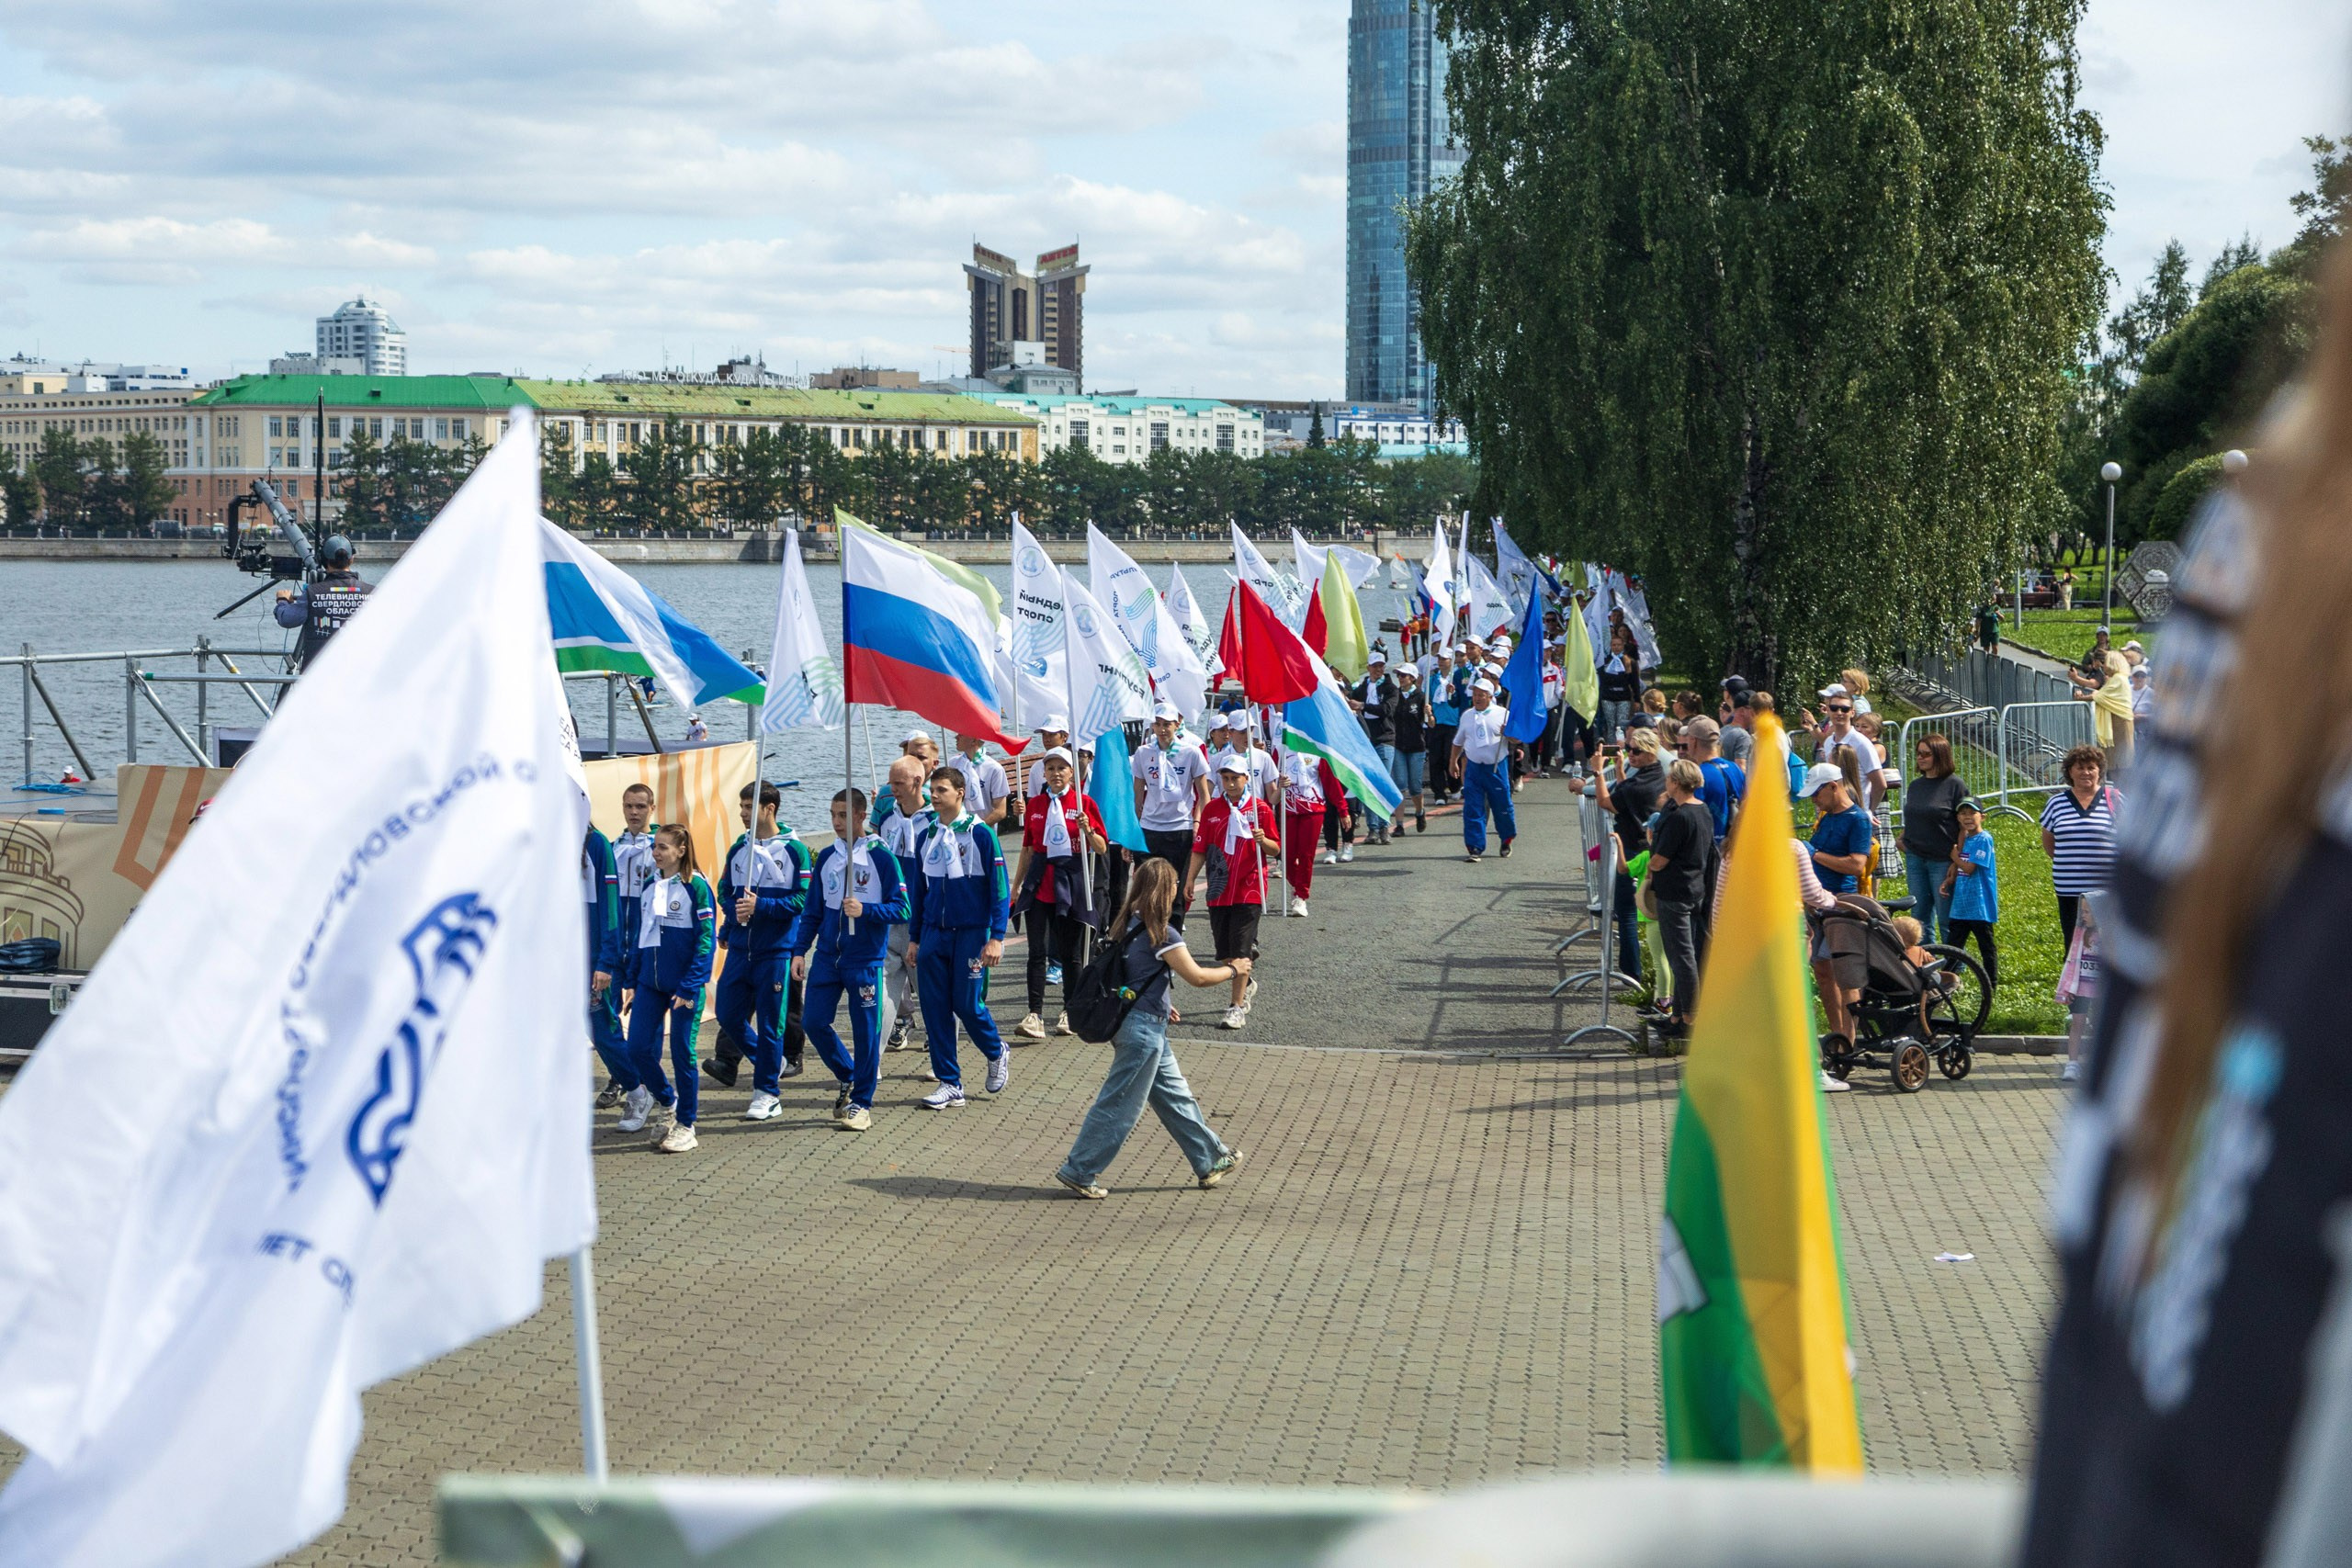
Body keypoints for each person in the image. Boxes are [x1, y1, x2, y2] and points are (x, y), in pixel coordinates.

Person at [1052, 858, 1247, 1200]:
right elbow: (1198, 977)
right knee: (1119, 1105)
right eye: (1173, 886)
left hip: (1138, 1023)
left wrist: (1161, 1002)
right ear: (1164, 890)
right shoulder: (1163, 933)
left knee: (1176, 1098)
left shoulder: (1126, 923)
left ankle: (1211, 1159)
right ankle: (1080, 1169)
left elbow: (1135, 974)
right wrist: (1234, 970)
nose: (1176, 892)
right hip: (1143, 1033)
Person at [787, 788, 910, 1132]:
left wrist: (865, 910)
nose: (836, 822)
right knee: (813, 1022)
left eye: (843, 815)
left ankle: (862, 1103)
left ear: (860, 816)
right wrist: (800, 950)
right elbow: (812, 910)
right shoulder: (827, 856)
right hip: (828, 957)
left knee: (866, 1033)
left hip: (865, 959)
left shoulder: (882, 858)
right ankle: (849, 1075)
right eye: (832, 815)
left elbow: (902, 907)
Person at [906, 767, 1012, 1108]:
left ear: (960, 793)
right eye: (932, 790)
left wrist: (996, 937)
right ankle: (950, 1083)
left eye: (941, 790)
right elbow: (919, 893)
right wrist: (914, 937)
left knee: (966, 1004)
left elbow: (999, 890)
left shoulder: (981, 835)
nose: (933, 796)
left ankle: (996, 1050)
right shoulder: (926, 837)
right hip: (933, 935)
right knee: (934, 1009)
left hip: (970, 933)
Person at [706, 782, 812, 1116]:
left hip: (775, 951)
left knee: (770, 1024)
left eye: (750, 807)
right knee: (727, 1014)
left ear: (770, 809)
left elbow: (803, 899)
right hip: (739, 948)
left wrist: (761, 906)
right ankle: (772, 1060)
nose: (743, 813)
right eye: (741, 806)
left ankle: (767, 1093)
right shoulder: (740, 847)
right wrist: (730, 919)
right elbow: (725, 889)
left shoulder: (794, 850)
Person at [619, 824, 716, 1152]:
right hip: (650, 983)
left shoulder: (697, 888)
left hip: (684, 987)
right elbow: (640, 938)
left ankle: (687, 1124)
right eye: (654, 847)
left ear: (681, 850)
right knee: (637, 1049)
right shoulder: (650, 886)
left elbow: (706, 942)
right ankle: (667, 1101)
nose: (656, 852)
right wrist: (632, 981)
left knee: (681, 1053)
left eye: (662, 847)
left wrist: (689, 986)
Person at [1011, 747, 1108, 1040]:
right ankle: (1035, 1014)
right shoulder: (1037, 804)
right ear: (1043, 773)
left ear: (1071, 774)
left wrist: (1088, 830)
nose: (1055, 774)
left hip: (1072, 879)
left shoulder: (1084, 803)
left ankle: (1070, 1010)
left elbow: (1102, 848)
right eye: (1050, 768)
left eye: (1061, 769)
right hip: (1040, 882)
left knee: (1070, 954)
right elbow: (1028, 849)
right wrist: (1017, 886)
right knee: (1037, 951)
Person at [1189, 752, 1281, 1030]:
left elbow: (1276, 849)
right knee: (1225, 953)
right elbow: (1200, 848)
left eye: (1235, 779)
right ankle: (1247, 982)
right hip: (1219, 888)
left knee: (1242, 952)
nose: (1229, 784)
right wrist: (1190, 879)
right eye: (1225, 778)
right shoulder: (1213, 810)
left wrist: (1263, 840)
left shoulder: (1260, 808)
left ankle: (1236, 1006)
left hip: (1249, 888)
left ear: (1245, 779)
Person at [1804, 762, 1875, 1050]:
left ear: (1834, 786)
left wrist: (1816, 855)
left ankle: (1849, 1039)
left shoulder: (1857, 819)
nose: (1813, 800)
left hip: (1842, 905)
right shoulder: (1826, 816)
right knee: (1822, 970)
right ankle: (1836, 1039)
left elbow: (1857, 865)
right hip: (1817, 905)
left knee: (1845, 975)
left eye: (1816, 793)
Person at [1646, 759, 1716, 1037]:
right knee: (1684, 954)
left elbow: (1660, 860)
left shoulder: (1679, 816)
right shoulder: (1703, 811)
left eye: (1669, 778)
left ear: (1675, 782)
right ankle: (1677, 1017)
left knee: (1681, 957)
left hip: (1675, 892)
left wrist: (1651, 860)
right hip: (1696, 888)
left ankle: (1690, 1018)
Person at [871, 754, 933, 1052]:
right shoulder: (886, 817)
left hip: (923, 921)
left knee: (931, 993)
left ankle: (941, 1050)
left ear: (918, 781)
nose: (891, 788)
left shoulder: (936, 821)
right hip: (891, 918)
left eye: (898, 782)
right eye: (890, 781)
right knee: (879, 995)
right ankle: (871, 1063)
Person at [2036, 744, 2119, 952]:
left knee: (2108, 941)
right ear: (2070, 771)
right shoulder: (2056, 803)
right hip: (2069, 887)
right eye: (2080, 767)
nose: (2086, 772)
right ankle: (2073, 982)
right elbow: (2048, 840)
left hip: (2105, 886)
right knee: (2073, 941)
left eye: (2091, 767)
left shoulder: (2115, 799)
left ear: (2100, 771)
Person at [1132, 703, 1212, 903]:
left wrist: (1201, 825)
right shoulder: (1143, 753)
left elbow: (1203, 794)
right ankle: (1148, 929)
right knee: (1146, 886)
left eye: (1167, 724)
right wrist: (1134, 827)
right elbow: (1138, 793)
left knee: (1176, 885)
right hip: (1150, 827)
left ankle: (1173, 928)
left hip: (1179, 827)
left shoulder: (1191, 752)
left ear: (1177, 725)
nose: (1161, 730)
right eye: (1157, 724)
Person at [583, 822, 637, 1113]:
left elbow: (610, 909)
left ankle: (640, 1089)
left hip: (592, 962)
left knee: (602, 1032)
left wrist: (606, 962)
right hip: (561, 959)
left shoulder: (597, 844)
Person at [1899, 734, 1968, 943]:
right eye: (1918, 753)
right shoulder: (1915, 786)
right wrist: (1903, 839)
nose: (1920, 758)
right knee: (1919, 915)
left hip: (1943, 860)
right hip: (1915, 858)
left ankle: (1954, 967)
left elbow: (1964, 826)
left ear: (1940, 755)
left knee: (1946, 916)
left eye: (1926, 754)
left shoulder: (1955, 785)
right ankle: (1925, 963)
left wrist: (1956, 862)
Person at [271, 536, 373, 670]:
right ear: (352, 559)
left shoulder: (313, 593)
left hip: (319, 675)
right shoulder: (373, 593)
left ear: (322, 559)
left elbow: (287, 619)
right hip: (362, 671)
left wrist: (282, 601)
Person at [1451, 676, 1518, 863]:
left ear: (1490, 696)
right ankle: (1475, 847)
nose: (1477, 698)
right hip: (1473, 768)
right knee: (1472, 807)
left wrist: (1510, 733)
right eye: (1475, 695)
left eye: (1481, 695)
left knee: (1502, 806)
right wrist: (1453, 761)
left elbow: (1517, 740)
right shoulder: (1467, 715)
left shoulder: (1503, 714)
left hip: (1496, 767)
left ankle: (1506, 839)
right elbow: (1458, 742)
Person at [1943, 797, 1997, 987]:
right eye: (1963, 813)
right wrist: (1950, 880)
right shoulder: (1966, 839)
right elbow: (1962, 870)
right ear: (1958, 817)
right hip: (1961, 905)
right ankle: (1945, 985)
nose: (1967, 818)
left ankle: (1991, 985)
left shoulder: (1984, 839)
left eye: (1972, 813)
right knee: (1952, 948)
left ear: (1982, 817)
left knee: (1986, 947)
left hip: (1979, 905)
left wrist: (1955, 858)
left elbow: (1970, 868)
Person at [1351, 654, 1400, 844]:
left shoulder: (1390, 688)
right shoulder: (1361, 689)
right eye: (1375, 666)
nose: (1378, 669)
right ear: (1369, 667)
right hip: (1366, 742)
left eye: (1381, 666)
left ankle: (1384, 826)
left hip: (1385, 740)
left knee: (1382, 783)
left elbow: (1387, 710)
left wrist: (1363, 706)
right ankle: (1373, 828)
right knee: (1368, 784)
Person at [1811, 685, 1886, 810]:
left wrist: (1869, 812)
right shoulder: (1829, 742)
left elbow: (1880, 784)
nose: (1839, 713)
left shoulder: (1862, 743)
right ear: (1828, 710)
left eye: (1845, 709)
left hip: (1857, 812)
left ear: (1852, 713)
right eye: (1834, 708)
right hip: (1834, 812)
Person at [2051, 894, 2099, 1083]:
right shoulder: (2080, 933)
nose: (2083, 915)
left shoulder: (2109, 934)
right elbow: (2072, 962)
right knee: (2077, 1024)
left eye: (2088, 912)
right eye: (2083, 911)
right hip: (2081, 988)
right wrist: (2068, 988)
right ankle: (2072, 1064)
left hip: (2099, 991)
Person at [1278, 740, 1327, 917]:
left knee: (1306, 855)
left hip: (1313, 810)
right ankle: (1297, 884)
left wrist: (1343, 810)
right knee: (1287, 855)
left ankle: (1301, 896)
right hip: (1288, 810)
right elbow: (1271, 780)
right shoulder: (1281, 749)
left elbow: (1329, 782)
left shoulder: (1318, 750)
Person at [1684, 716, 1746, 842]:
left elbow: (1692, 815)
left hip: (1711, 848)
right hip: (1735, 845)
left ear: (1693, 741)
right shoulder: (1735, 768)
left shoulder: (1699, 775)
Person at [1388, 663, 1431, 832]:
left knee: (1415, 786)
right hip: (1398, 745)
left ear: (1412, 678)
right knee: (1399, 784)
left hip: (1416, 746)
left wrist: (1429, 714)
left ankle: (1420, 812)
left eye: (1403, 675)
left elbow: (1431, 723)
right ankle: (1399, 825)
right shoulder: (1395, 695)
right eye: (1398, 675)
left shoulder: (1421, 696)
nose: (1400, 678)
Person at [946, 732, 1011, 827]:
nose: (956, 737)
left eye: (961, 734)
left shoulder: (994, 769)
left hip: (983, 832)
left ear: (973, 740)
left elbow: (1000, 811)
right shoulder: (953, 763)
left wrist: (976, 828)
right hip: (956, 830)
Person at [1426, 645, 1464, 803]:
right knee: (1435, 758)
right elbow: (1427, 699)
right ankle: (1439, 792)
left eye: (1444, 659)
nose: (1441, 661)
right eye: (1439, 658)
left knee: (1450, 755)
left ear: (1451, 660)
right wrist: (1429, 714)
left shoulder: (1457, 677)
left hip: (1453, 723)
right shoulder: (1432, 679)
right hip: (1437, 723)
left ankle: (1455, 785)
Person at [1596, 625, 1639, 741]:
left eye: (1619, 645)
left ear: (1623, 646)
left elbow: (1635, 682)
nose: (1616, 647)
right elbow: (1601, 679)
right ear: (1610, 646)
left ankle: (1621, 749)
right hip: (1608, 697)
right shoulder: (1604, 662)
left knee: (1621, 725)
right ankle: (1611, 750)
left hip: (1623, 697)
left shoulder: (1630, 662)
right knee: (1610, 724)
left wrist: (1637, 699)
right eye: (1614, 645)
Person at [1024, 714, 1072, 796]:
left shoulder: (1076, 763)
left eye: (1051, 734)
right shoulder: (1037, 768)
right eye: (1044, 734)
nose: (1047, 739)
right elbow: (1033, 799)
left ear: (1065, 736)